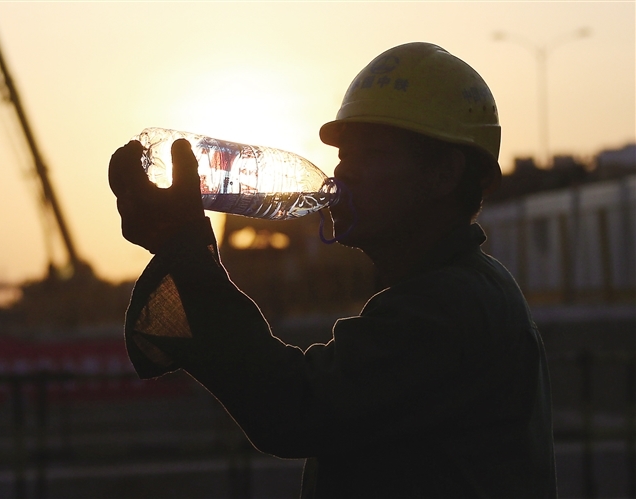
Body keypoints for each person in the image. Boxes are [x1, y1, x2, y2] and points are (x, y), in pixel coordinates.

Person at [108, 42, 557, 498]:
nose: (343, 173)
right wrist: (180, 249)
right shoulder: (450, 290)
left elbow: (294, 407)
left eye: (372, 154)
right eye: (344, 154)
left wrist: (181, 250)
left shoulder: (451, 306)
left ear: (443, 175)